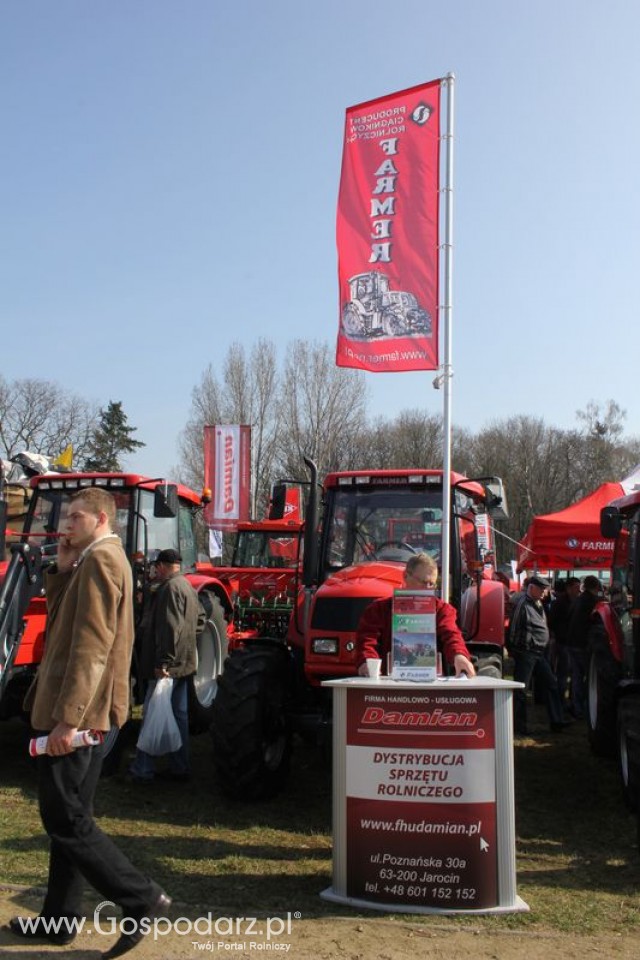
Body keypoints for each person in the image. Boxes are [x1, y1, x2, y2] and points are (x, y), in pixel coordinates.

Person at [5, 487, 170, 959]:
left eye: (75, 517)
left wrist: (67, 720)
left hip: (82, 714)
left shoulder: (102, 561)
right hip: (91, 712)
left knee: (64, 816)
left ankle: (139, 897)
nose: (66, 524)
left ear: (101, 519)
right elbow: (64, 625)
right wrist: (59, 570)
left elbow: (93, 647)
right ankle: (59, 922)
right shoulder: (92, 560)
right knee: (70, 819)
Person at [128, 548, 199, 783]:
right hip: (184, 663)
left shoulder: (169, 588)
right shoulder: (187, 586)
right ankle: (181, 767)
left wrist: (163, 662)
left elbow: (169, 628)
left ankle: (142, 770)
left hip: (167, 666)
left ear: (163, 566)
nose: (155, 570)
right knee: (179, 716)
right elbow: (198, 621)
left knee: (152, 714)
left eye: (157, 566)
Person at [355, 553, 476, 677]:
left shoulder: (442, 610)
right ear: (406, 576)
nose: (428, 588)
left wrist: (459, 655)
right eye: (424, 582)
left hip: (431, 683)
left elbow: (451, 634)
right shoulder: (378, 609)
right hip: (388, 684)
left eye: (432, 584)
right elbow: (367, 640)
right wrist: (366, 661)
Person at [508, 574, 570, 736]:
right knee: (521, 690)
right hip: (527, 653)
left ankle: (557, 721)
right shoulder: (522, 604)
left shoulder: (538, 603)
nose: (544, 593)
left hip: (539, 653)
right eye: (541, 589)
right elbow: (513, 629)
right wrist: (516, 651)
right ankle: (519, 727)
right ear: (532, 588)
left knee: (551, 684)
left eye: (545, 590)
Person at [565, 575, 601, 719]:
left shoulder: (578, 599)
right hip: (582, 644)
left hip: (571, 642)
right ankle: (582, 708)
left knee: (576, 677)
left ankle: (575, 706)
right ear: (596, 587)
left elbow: (569, 617)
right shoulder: (592, 602)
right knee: (588, 678)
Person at [547, 576, 581, 703]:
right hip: (563, 642)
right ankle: (560, 700)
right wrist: (557, 636)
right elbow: (552, 622)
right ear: (568, 588)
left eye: (579, 587)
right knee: (563, 672)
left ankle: (571, 700)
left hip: (573, 642)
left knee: (573, 673)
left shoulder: (577, 601)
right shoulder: (560, 602)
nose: (578, 590)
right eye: (576, 587)